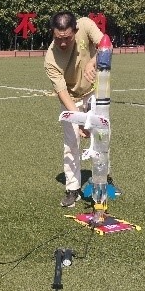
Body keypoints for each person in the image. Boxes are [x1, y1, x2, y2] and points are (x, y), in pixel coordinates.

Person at [44, 11, 104, 208]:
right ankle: (73, 189)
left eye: (67, 38)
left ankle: (103, 181)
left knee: (101, 137)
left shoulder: (85, 25)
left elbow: (106, 44)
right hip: (71, 99)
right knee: (72, 144)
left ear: (75, 31)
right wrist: (81, 121)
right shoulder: (50, 59)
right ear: (52, 33)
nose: (62, 43)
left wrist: (93, 62)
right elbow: (62, 93)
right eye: (58, 38)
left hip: (94, 92)